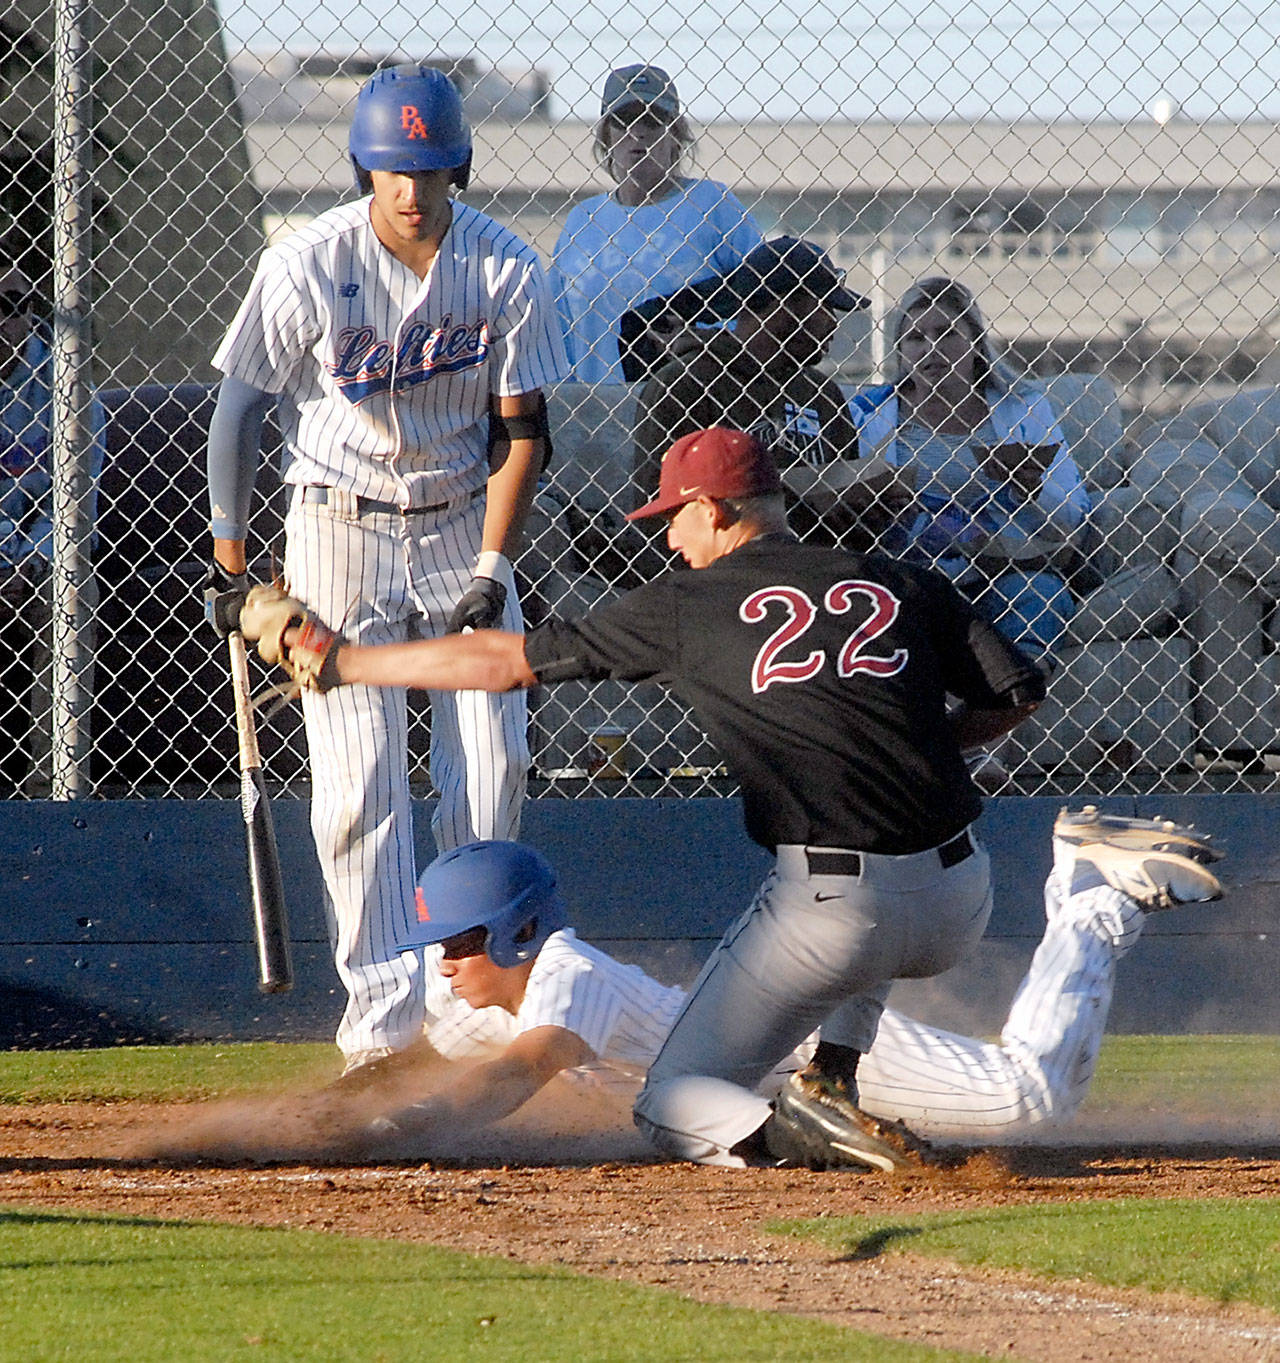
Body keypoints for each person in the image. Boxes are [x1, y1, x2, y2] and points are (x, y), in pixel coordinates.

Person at [238, 425, 1054, 1169]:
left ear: (717, 509)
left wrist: (343, 659)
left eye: (676, 516)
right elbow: (1020, 691)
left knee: (668, 1102)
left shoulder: (688, 605)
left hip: (833, 910)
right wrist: (917, 749)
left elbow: (497, 663)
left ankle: (798, 1126)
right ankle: (833, 1075)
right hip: (959, 897)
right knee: (871, 935)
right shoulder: (898, 579)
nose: (670, 537)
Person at [203, 64, 567, 1074]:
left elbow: (524, 435)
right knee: (359, 788)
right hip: (335, 529)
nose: (410, 190)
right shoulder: (307, 261)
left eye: (430, 168)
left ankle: (475, 1005)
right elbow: (236, 413)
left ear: (458, 166)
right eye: (392, 168)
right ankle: (379, 1033)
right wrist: (231, 571)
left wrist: (492, 565)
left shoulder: (504, 268)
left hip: (458, 519)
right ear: (365, 165)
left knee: (492, 769)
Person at [356, 824, 1223, 1162]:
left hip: (805, 1055)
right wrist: (308, 1121)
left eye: (459, 941)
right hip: (765, 1083)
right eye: (436, 946)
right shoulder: (469, 1005)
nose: (444, 963)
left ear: (513, 932)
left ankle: (1092, 903)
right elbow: (404, 1067)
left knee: (1031, 1099)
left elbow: (520, 1072)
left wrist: (410, 1127)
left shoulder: (566, 972)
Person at [848, 276, 1093, 657]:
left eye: (946, 333)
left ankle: (1012, 697)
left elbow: (1074, 515)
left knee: (1040, 596)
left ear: (976, 342)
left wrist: (1031, 491)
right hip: (905, 571)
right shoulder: (867, 413)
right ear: (901, 350)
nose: (931, 348)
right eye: (915, 338)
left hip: (999, 571)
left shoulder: (1022, 408)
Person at [630, 236, 906, 552]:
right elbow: (655, 510)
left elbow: (846, 505)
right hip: (722, 572)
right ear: (788, 306)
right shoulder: (686, 384)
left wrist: (873, 511)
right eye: (827, 308)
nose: (834, 325)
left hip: (812, 574)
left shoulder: (822, 394)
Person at [552, 64, 763, 384]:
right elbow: (556, 330)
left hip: (691, 407)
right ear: (606, 135)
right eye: (624, 121)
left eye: (652, 120)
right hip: (594, 409)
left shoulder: (713, 206)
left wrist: (705, 338)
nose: (637, 133)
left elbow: (765, 302)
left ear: (675, 133)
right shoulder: (583, 221)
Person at [0, 265, 105, 795]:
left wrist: (31, 555)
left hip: (44, 558)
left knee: (72, 591)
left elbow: (75, 498)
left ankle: (52, 785)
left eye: (13, 305)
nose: (4, 321)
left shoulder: (67, 387)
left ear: (31, 314)